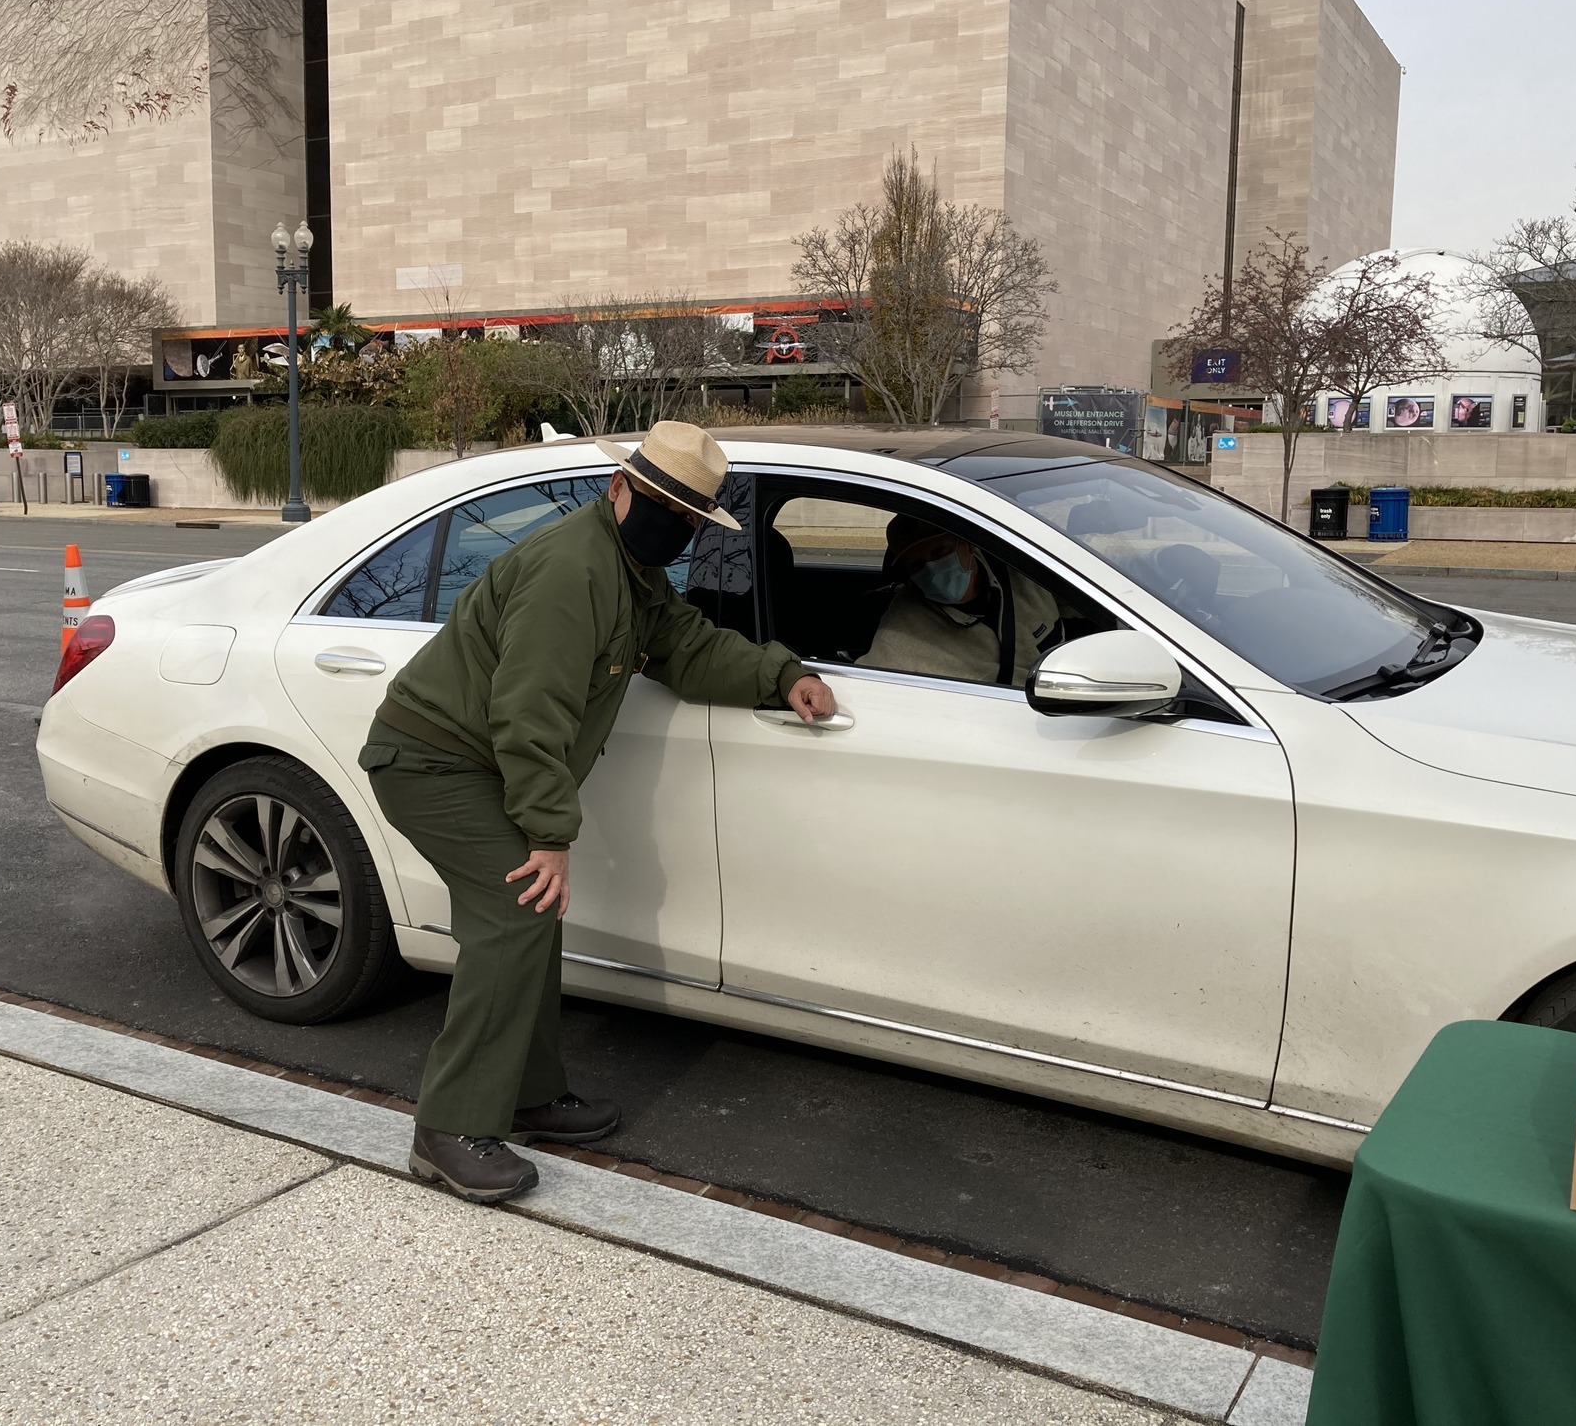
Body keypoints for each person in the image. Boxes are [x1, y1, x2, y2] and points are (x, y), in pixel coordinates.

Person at [361, 420, 838, 1203]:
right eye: (658, 503)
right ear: (619, 488)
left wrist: (781, 675)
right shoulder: (572, 571)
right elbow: (528, 713)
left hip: (479, 761)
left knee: (529, 919)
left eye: (686, 517)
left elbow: (683, 645)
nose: (671, 524)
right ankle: (446, 1130)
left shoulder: (630, 571)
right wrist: (549, 835)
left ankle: (525, 1094)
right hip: (433, 762)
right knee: (517, 911)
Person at [858, 515, 1064, 687]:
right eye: (917, 564)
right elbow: (869, 688)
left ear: (968, 544)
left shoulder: (1025, 575)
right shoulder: (899, 632)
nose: (932, 568)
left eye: (940, 551)